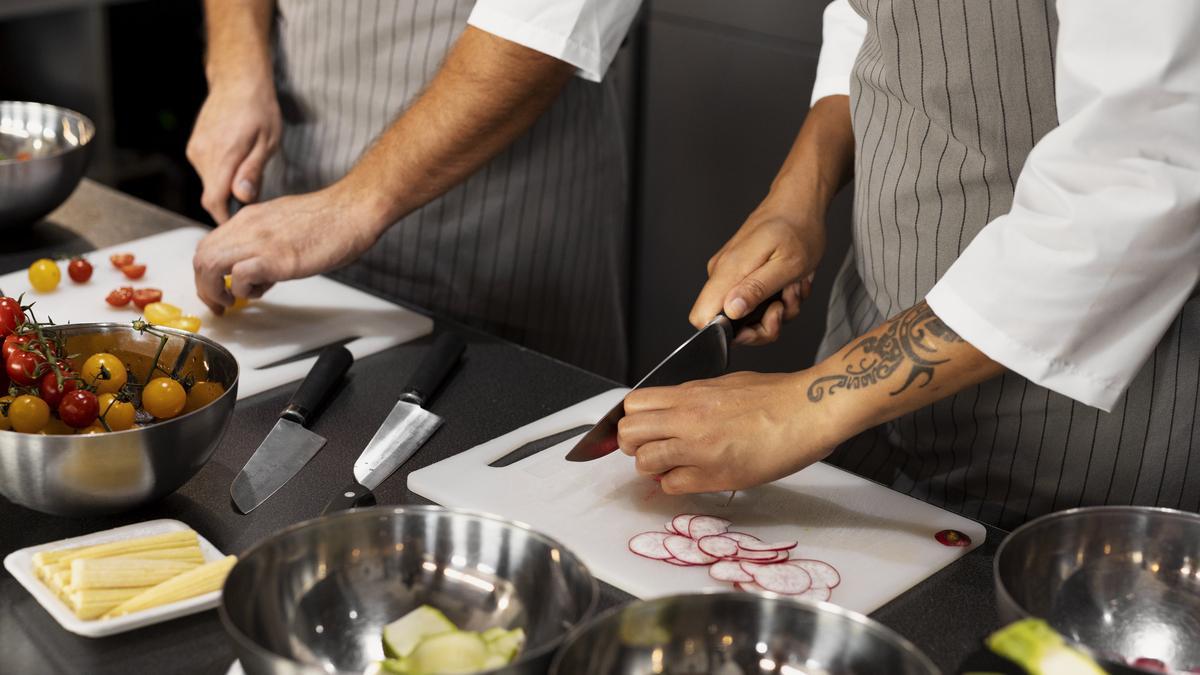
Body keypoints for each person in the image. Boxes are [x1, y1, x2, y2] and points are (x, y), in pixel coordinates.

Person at [617, 0, 1200, 529]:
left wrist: (801, 410)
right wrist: (797, 196)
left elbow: (1136, 179)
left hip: (1072, 434)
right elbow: (876, 22)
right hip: (868, 338)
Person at [186, 0, 641, 379]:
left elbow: (548, 23)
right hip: (295, 191)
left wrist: (351, 205)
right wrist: (236, 71)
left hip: (496, 222)